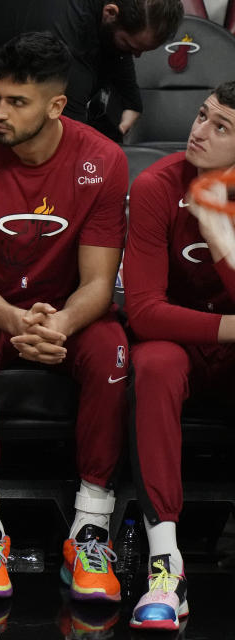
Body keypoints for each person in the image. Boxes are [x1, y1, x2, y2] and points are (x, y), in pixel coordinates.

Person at [0, 33, 130, 604]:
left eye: (16, 102)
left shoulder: (104, 159)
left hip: (68, 312)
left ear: (56, 106)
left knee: (113, 352)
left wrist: (61, 324)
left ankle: (91, 527)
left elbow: (99, 282)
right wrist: (21, 322)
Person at [122, 81, 235, 630]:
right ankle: (166, 565)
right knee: (154, 362)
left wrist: (220, 238)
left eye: (222, 128)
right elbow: (143, 311)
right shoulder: (155, 187)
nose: (198, 132)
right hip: (181, 346)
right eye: (202, 116)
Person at [0, 0, 184, 157]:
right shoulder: (63, 32)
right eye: (130, 46)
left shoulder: (113, 16)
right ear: (111, 13)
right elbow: (70, 130)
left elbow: (119, 48)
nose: (135, 57)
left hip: (23, 113)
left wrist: (131, 99)